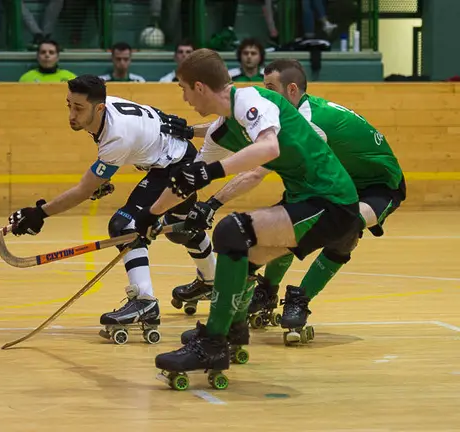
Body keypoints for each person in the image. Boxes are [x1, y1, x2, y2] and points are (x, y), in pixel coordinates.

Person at [131, 48, 360, 387]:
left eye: (183, 89)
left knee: (231, 231)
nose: (184, 98)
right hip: (309, 200)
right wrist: (150, 216)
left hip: (332, 202)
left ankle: (213, 343)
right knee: (244, 259)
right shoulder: (220, 131)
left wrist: (210, 174)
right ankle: (231, 331)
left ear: (199, 87)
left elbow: (268, 148)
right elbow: (189, 180)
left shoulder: (252, 101)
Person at [6, 75, 217, 344]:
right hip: (176, 156)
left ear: (99, 108)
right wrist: (100, 181)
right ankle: (212, 282)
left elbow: (83, 189)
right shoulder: (106, 111)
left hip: (175, 165)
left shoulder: (115, 135)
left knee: (124, 226)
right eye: (69, 105)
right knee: (180, 229)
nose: (71, 115)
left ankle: (145, 301)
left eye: (78, 108)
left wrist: (40, 213)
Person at [239, 58, 406, 329]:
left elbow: (256, 171)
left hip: (378, 185)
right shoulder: (294, 113)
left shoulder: (309, 120)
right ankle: (267, 291)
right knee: (288, 223)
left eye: (270, 88)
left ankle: (300, 299)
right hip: (338, 180)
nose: (265, 94)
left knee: (347, 229)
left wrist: (212, 202)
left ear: (292, 90)